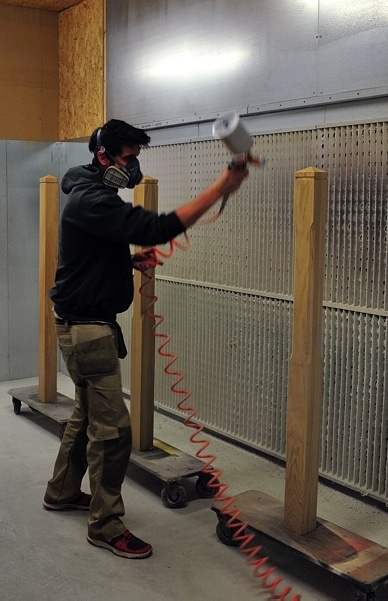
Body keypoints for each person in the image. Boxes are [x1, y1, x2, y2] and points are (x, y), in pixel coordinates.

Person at [42, 118, 252, 559]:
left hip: (83, 323)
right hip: (87, 330)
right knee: (114, 431)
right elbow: (156, 228)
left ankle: (61, 493)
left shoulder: (92, 193)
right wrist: (222, 185)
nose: (134, 168)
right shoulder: (92, 199)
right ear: (103, 156)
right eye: (128, 158)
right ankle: (105, 525)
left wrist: (125, 265)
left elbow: (95, 252)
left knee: (85, 417)